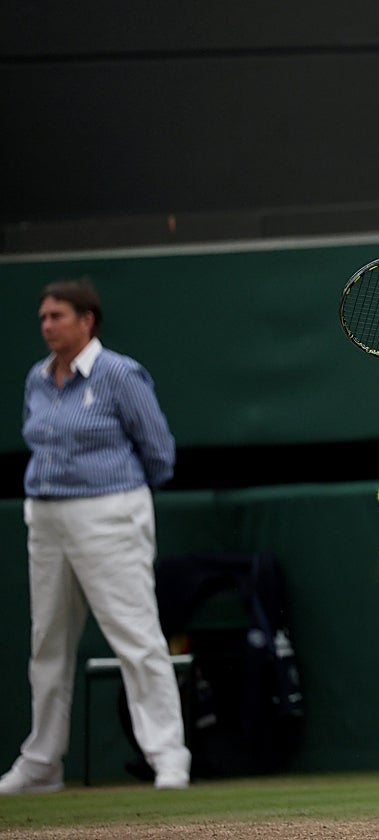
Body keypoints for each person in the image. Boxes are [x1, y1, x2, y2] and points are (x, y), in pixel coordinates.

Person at [0, 280, 191, 794]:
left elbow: (158, 450)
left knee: (135, 634)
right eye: (43, 317)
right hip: (45, 517)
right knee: (47, 640)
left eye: (57, 316)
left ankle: (168, 756)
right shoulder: (37, 378)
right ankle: (42, 762)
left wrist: (119, 499)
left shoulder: (120, 373)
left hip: (109, 513)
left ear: (86, 321)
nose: (46, 326)